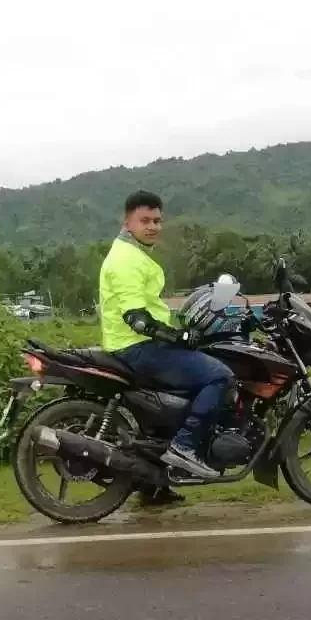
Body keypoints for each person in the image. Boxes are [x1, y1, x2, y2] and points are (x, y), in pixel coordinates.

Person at [99, 190, 234, 481]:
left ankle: (154, 484)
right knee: (219, 375)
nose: (152, 227)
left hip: (137, 345)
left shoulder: (134, 254)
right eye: (144, 220)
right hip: (138, 346)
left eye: (157, 221)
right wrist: (178, 338)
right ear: (127, 221)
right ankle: (185, 448)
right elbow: (136, 319)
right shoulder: (126, 259)